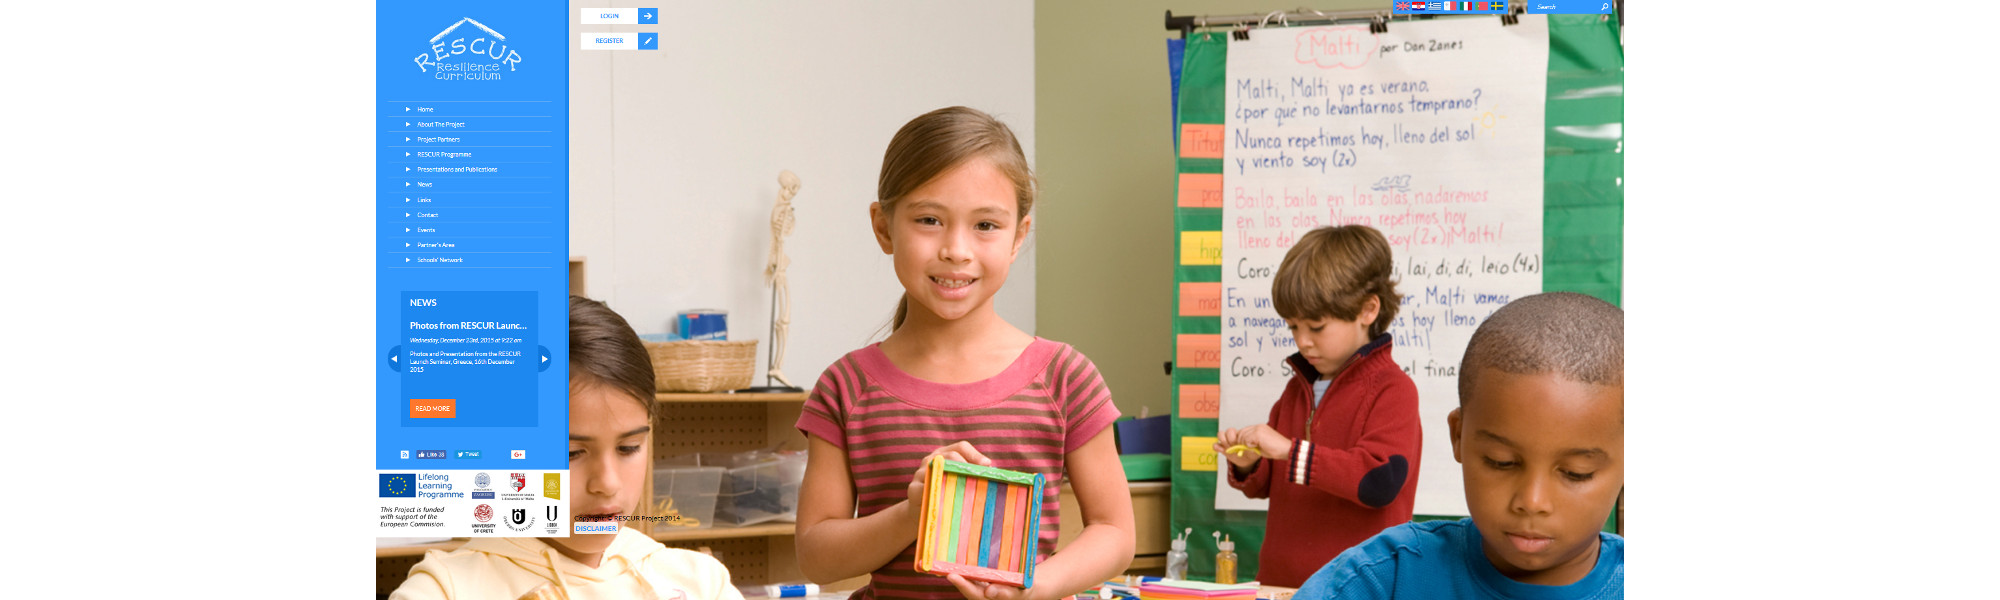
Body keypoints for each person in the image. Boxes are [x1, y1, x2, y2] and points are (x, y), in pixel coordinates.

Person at [792, 106, 1134, 600]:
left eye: (986, 226)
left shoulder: (1065, 377)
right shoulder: (845, 388)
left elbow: (1115, 533)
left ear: (1019, 235)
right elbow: (817, 557)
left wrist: (1035, 588)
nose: (956, 249)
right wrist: (916, 512)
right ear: (884, 227)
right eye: (929, 220)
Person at [391, 296, 746, 600]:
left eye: (629, 448)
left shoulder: (701, 583)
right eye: (570, 454)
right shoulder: (444, 589)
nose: (607, 483)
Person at [1293, 292, 1624, 599]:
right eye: (1501, 462)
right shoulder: (1385, 578)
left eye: (1576, 473)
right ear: (1459, 436)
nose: (1532, 501)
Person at [1211, 225, 1422, 588]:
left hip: (1359, 590)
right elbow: (1273, 483)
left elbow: (1378, 483)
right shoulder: (1296, 390)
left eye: (1317, 327)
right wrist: (1251, 465)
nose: (1303, 341)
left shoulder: (1394, 391)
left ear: (1368, 309)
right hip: (1281, 587)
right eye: (1293, 327)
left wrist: (1291, 451)